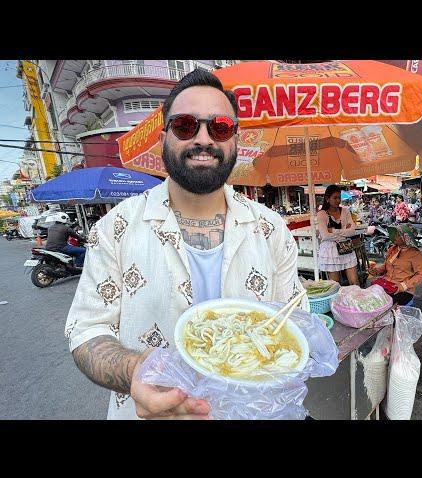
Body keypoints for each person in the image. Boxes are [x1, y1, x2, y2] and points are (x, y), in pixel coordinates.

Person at [64, 69, 308, 420]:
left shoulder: (271, 229)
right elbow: (86, 330)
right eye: (185, 126)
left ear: (235, 140)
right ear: (164, 138)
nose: (203, 139)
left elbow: (291, 320)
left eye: (220, 127)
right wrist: (136, 370)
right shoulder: (115, 228)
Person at [368, 224, 422, 305]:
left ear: (406, 238)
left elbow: (420, 275)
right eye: (395, 234)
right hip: (386, 284)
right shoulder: (392, 249)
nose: (395, 236)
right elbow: (385, 266)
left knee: (383, 304)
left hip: (404, 291)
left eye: (398, 235)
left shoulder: (415, 254)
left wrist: (404, 286)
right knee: (368, 298)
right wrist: (376, 271)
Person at [317, 184, 359, 286]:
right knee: (336, 285)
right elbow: (325, 235)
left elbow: (352, 231)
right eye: (335, 198)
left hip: (346, 248)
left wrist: (332, 231)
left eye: (339, 197)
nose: (338, 201)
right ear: (327, 198)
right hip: (330, 252)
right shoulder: (322, 214)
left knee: (355, 283)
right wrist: (344, 231)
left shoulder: (345, 211)